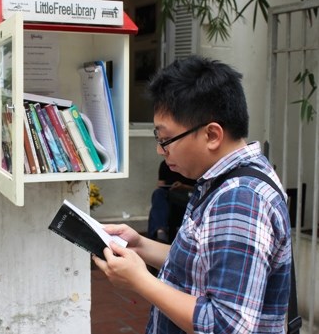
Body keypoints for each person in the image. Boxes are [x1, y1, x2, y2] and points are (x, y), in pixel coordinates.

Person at [93, 55, 291, 333]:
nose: (161, 150)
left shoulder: (240, 199)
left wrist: (140, 281)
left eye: (166, 139)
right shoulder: (225, 178)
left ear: (212, 135)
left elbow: (225, 325)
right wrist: (138, 245)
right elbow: (202, 262)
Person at [147, 159, 195, 244]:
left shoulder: (192, 164)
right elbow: (160, 185)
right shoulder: (165, 164)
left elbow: (201, 189)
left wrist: (184, 187)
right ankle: (160, 231)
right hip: (170, 195)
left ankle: (159, 234)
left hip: (188, 195)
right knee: (158, 193)